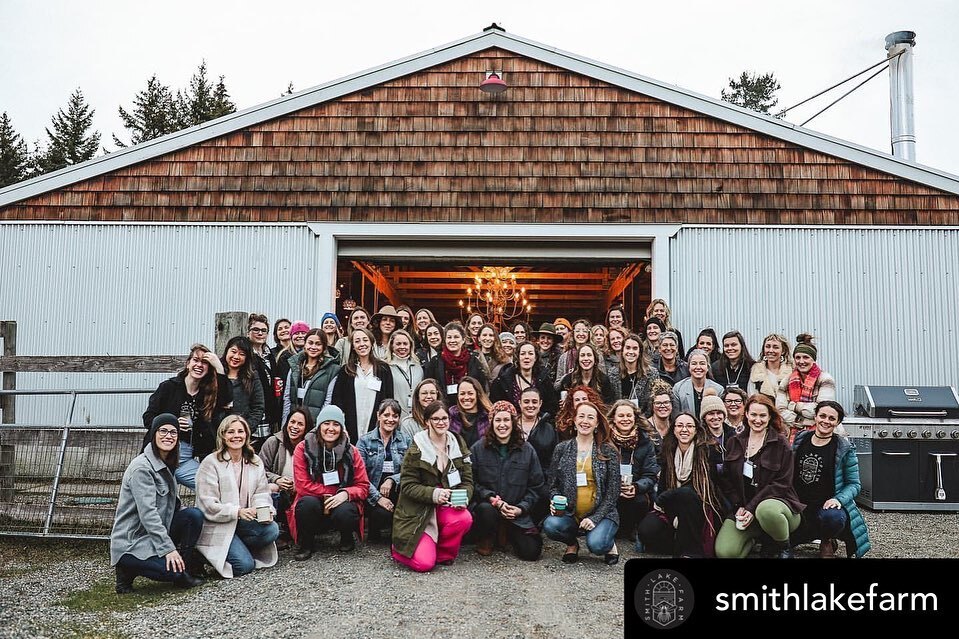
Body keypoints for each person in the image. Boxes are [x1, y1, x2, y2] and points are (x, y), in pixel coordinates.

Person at [111, 414, 204, 593]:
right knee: (172, 573)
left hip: (155, 533)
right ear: (153, 434)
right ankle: (126, 569)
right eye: (163, 431)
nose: (168, 436)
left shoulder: (167, 462)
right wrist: (168, 549)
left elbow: (173, 506)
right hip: (133, 541)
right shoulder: (142, 469)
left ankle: (183, 567)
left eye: (173, 432)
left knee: (193, 516)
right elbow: (148, 514)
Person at [715, 394, 803, 559]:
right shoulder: (734, 442)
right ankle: (757, 538)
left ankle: (783, 546)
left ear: (770, 417)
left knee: (766, 510)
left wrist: (751, 507)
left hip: (778, 509)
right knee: (724, 552)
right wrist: (738, 506)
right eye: (753, 414)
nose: (758, 420)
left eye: (762, 415)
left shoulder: (781, 444)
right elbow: (726, 478)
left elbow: (782, 484)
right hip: (745, 509)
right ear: (746, 414)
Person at [391, 401, 474, 572]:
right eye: (435, 419)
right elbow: (407, 485)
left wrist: (463, 496)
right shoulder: (416, 448)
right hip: (419, 510)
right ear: (427, 421)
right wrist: (434, 494)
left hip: (445, 506)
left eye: (444, 418)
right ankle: (399, 551)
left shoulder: (457, 443)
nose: (441, 422)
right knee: (424, 565)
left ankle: (443, 554)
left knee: (464, 518)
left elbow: (467, 480)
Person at [195, 415, 279, 577]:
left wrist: (264, 509)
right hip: (218, 523)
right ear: (223, 436)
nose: (236, 436)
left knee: (272, 530)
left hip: (243, 523)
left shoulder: (255, 461)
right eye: (231, 432)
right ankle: (202, 553)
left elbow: (261, 492)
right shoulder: (210, 463)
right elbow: (207, 504)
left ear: (247, 435)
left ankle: (237, 547)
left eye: (240, 431)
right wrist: (237, 512)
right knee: (244, 566)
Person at [143, 343, 233, 489]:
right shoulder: (169, 387)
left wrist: (219, 368)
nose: (199, 365)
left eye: (205, 362)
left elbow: (226, 398)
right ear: (188, 364)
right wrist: (171, 424)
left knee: (211, 486)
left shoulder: (206, 394)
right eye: (195, 360)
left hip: (184, 456)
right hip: (160, 454)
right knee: (160, 495)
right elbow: (148, 417)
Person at [636, 413, 725, 557]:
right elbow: (664, 484)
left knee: (687, 494)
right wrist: (666, 503)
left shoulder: (707, 450)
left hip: (699, 505)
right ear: (674, 430)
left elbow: (700, 489)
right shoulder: (669, 449)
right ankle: (676, 543)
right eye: (680, 425)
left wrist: (665, 496)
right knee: (646, 530)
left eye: (689, 426)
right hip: (672, 505)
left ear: (696, 430)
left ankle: (689, 550)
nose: (684, 429)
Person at [790, 401, 871, 558]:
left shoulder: (844, 448)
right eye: (822, 416)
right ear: (815, 417)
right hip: (799, 503)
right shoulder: (801, 439)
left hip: (825, 506)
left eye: (832, 418)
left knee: (833, 518)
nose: (826, 421)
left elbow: (854, 484)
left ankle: (827, 539)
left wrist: (838, 500)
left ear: (837, 422)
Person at [543, 401, 620, 564]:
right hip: (571, 513)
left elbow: (613, 492)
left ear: (597, 423)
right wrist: (555, 500)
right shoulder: (562, 448)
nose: (585, 421)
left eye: (590, 417)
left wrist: (595, 518)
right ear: (575, 420)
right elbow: (552, 485)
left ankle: (610, 543)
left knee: (597, 545)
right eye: (582, 416)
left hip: (602, 513)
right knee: (550, 525)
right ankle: (572, 544)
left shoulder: (608, 451)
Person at [290, 405, 370, 559]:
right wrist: (335, 492)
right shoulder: (303, 448)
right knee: (306, 503)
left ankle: (346, 537)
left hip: (341, 501)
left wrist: (346, 494)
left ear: (342, 428)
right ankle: (306, 543)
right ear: (319, 425)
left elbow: (363, 486)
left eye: (336, 424)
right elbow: (302, 485)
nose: (331, 428)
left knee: (346, 511)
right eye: (326, 423)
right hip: (314, 499)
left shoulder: (352, 451)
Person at [468, 401, 546, 560]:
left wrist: (521, 508)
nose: (502, 425)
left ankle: (507, 531)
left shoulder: (527, 450)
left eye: (506, 420)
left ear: (513, 422)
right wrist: (491, 498)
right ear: (491, 423)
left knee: (532, 552)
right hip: (489, 508)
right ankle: (488, 535)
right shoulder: (477, 449)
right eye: (498, 420)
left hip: (516, 512)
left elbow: (537, 486)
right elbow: (471, 482)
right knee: (485, 510)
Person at [607, 400, 659, 550]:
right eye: (621, 415)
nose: (625, 419)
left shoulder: (645, 441)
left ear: (635, 418)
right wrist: (616, 487)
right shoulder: (604, 440)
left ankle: (633, 528)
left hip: (635, 490)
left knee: (641, 500)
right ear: (614, 419)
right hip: (611, 489)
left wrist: (636, 487)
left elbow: (650, 474)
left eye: (629, 415)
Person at [259, 407, 313, 550]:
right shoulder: (273, 442)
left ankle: (300, 534)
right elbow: (259, 470)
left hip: (301, 492)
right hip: (279, 492)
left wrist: (300, 485)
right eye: (292, 422)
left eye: (300, 424)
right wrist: (277, 479)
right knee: (273, 489)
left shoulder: (311, 447)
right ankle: (274, 532)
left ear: (307, 427)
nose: (294, 427)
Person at [328, 327, 395, 442]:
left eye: (365, 340)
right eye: (357, 341)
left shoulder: (383, 369)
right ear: (353, 346)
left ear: (371, 342)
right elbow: (337, 400)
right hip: (350, 428)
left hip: (377, 427)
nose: (362, 344)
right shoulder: (346, 370)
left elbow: (389, 399)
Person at [357, 399, 411, 541]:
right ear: (378, 416)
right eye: (386, 415)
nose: (390, 419)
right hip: (371, 494)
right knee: (381, 515)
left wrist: (391, 479)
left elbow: (411, 471)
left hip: (398, 492)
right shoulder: (364, 441)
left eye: (395, 416)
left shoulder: (406, 441)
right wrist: (378, 498)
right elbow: (360, 476)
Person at [776, 333, 837, 441]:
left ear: (813, 359)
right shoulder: (786, 381)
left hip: (821, 434)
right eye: (797, 357)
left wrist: (793, 406)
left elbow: (822, 411)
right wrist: (803, 420)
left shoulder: (826, 379)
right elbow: (780, 410)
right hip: (791, 435)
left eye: (806, 357)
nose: (801, 361)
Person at [282, 328, 340, 426]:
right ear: (305, 344)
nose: (313, 347)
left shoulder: (332, 370)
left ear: (324, 347)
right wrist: (285, 425)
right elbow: (287, 398)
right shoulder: (295, 366)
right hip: (294, 424)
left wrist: (319, 426)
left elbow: (328, 401)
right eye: (310, 343)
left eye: (318, 344)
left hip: (314, 424)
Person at [423, 321, 488, 405]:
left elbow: (481, 389)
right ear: (445, 340)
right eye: (449, 337)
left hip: (469, 407)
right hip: (442, 410)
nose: (452, 340)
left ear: (463, 339)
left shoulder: (474, 361)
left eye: (456, 337)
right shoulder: (435, 362)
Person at [490, 340, 558, 416]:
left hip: (538, 424)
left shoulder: (544, 379)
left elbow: (552, 407)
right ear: (518, 357)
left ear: (535, 358)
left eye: (530, 354)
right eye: (523, 354)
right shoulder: (503, 381)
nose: (526, 357)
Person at [221, 336, 265, 443]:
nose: (236, 356)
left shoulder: (252, 377)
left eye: (242, 354)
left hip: (242, 435)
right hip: (216, 432)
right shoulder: (215, 374)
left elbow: (258, 407)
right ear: (227, 351)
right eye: (233, 351)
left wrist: (245, 430)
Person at [247, 313, 281, 440]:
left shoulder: (270, 355)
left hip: (269, 410)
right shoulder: (245, 354)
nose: (260, 333)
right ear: (248, 332)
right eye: (256, 329)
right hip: (252, 409)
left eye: (264, 330)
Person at [385, 329, 424, 431]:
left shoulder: (418, 366)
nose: (402, 347)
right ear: (392, 346)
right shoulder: (385, 367)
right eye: (398, 344)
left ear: (410, 346)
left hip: (417, 420)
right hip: (395, 420)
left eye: (405, 344)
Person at [517, 387, 559, 480]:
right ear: (520, 403)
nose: (530, 405)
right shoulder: (511, 426)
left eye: (534, 402)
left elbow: (554, 460)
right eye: (526, 402)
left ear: (540, 404)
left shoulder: (549, 428)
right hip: (514, 481)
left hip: (541, 481)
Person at [619, 333, 661, 415]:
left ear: (640, 352)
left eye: (635, 348)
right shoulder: (612, 373)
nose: (631, 352)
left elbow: (652, 403)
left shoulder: (652, 374)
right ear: (622, 351)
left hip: (644, 422)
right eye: (627, 348)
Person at [673, 350, 724, 417]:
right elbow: (676, 416)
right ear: (689, 367)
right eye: (694, 363)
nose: (698, 367)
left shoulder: (718, 389)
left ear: (708, 367)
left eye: (702, 363)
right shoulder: (678, 388)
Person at [448, 376, 493, 448]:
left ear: (477, 394)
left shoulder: (488, 418)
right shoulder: (450, 417)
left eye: (470, 393)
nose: (466, 397)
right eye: (462, 394)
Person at [749, 333, 793, 400]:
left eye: (775, 347)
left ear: (783, 351)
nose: (771, 350)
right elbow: (752, 396)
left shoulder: (792, 371)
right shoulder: (756, 372)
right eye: (768, 346)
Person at [700, 391, 735, 472]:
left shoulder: (734, 435)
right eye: (711, 414)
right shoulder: (700, 438)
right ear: (704, 417)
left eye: (719, 413)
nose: (715, 417)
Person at [274, 320, 309, 401]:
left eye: (303, 333)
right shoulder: (284, 356)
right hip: (290, 398)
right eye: (296, 333)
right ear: (291, 336)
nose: (300, 336)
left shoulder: (312, 355)